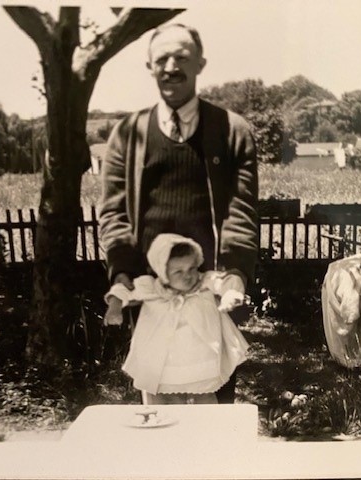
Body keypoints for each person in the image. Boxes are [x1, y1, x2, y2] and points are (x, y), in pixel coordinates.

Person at [97, 23, 258, 403]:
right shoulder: (127, 134)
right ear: (149, 66)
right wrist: (121, 273)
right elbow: (113, 213)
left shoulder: (231, 131)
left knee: (213, 398)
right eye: (162, 59)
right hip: (151, 297)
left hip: (210, 294)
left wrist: (235, 274)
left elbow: (241, 209)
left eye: (182, 57)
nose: (171, 66)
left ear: (200, 63)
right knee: (156, 398)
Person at [104, 234, 249, 405]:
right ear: (162, 272)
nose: (187, 276)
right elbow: (124, 290)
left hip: (200, 365)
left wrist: (231, 293)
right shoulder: (151, 287)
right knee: (162, 410)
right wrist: (115, 307)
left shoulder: (204, 282)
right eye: (178, 272)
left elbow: (227, 280)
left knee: (205, 409)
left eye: (192, 268)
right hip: (163, 368)